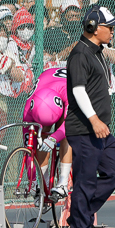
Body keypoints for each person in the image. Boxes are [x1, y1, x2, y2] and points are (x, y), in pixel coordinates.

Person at [60, 3, 115, 228]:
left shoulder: (96, 51)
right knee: (85, 179)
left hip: (100, 128)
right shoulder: (80, 54)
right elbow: (78, 91)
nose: (113, 31)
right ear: (93, 28)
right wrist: (94, 119)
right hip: (85, 128)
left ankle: (79, 216)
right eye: (109, 27)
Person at [19, 62, 73, 204]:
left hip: (65, 88)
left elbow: (69, 124)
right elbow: (28, 148)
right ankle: (43, 183)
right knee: (40, 137)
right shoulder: (28, 110)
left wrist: (54, 138)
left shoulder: (68, 93)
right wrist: (33, 180)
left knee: (66, 135)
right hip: (43, 96)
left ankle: (62, 183)